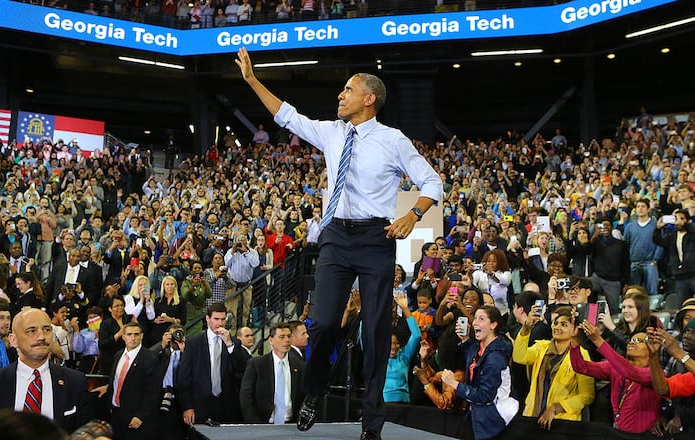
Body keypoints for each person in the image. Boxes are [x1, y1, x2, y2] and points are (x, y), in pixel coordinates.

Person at [236, 47, 442, 440]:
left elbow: (432, 182)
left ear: (370, 98)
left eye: (348, 90)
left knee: (378, 332)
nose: (340, 95)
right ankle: (312, 392)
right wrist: (251, 80)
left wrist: (411, 215)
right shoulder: (332, 132)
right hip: (335, 236)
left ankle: (372, 424)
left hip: (374, 238)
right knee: (324, 321)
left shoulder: (392, 140)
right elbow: (287, 115)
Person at [0, 309, 93, 433]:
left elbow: (83, 432)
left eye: (47, 329)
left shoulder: (75, 382)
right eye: (31, 331)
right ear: (13, 340)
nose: (41, 336)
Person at [570, 321, 661, 433]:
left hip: (643, 436)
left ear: (652, 348)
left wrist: (598, 340)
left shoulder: (655, 374)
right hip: (618, 433)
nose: (632, 343)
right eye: (631, 340)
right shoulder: (615, 368)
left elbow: (631, 373)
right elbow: (580, 366)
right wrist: (574, 340)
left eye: (638, 341)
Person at [512, 304, 595, 429]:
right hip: (533, 417)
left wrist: (556, 407)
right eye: (555, 323)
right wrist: (526, 328)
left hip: (563, 423)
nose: (557, 327)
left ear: (575, 329)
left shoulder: (582, 355)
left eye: (564, 324)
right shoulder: (542, 347)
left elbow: (587, 396)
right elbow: (519, 357)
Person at [442, 305, 517, 440]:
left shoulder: (495, 359)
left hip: (491, 418)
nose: (475, 322)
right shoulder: (479, 346)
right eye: (475, 318)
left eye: (481, 319)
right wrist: (465, 340)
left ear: (493, 324)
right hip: (475, 414)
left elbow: (484, 396)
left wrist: (454, 384)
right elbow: (474, 358)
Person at [176, 303, 250, 425]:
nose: (220, 323)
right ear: (207, 318)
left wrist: (229, 344)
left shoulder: (233, 343)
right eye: (216, 319)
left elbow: (242, 369)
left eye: (223, 319)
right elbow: (183, 378)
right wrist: (187, 407)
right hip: (200, 405)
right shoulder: (194, 343)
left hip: (226, 406)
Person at [96, 322, 162, 440]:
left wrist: (140, 416)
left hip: (135, 417)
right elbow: (119, 379)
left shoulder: (150, 359)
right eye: (129, 334)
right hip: (116, 413)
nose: (133, 338)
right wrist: (107, 387)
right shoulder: (118, 355)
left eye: (136, 334)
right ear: (123, 336)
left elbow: (153, 392)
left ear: (142, 336)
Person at [239, 322, 305, 423]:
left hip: (291, 425)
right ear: (271, 340)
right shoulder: (257, 364)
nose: (287, 340)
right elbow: (246, 396)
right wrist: (255, 424)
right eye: (282, 337)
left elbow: (304, 395)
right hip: (263, 424)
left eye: (289, 336)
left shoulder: (299, 365)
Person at [652, 208, 695, 309]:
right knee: (682, 306)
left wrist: (686, 224)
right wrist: (658, 228)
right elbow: (658, 241)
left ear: (688, 220)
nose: (678, 221)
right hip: (680, 276)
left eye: (682, 218)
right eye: (676, 218)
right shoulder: (672, 236)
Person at [383, 294, 420, 403]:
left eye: (396, 343)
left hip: (403, 403)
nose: (393, 347)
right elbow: (364, 337)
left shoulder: (404, 356)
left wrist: (405, 308)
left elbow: (416, 335)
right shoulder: (378, 358)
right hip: (383, 403)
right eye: (390, 343)